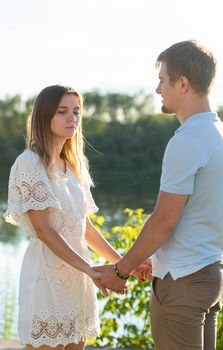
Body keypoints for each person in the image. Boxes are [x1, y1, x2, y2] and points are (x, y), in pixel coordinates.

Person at [95, 40, 223, 350]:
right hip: (211, 276)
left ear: (182, 83)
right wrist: (150, 258)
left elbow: (164, 220)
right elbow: (198, 215)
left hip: (183, 284)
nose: (158, 90)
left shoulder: (187, 140)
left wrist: (121, 270)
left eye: (162, 80)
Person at [4, 85, 150, 350]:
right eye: (63, 111)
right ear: (44, 116)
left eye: (76, 111)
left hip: (78, 278)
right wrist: (91, 271)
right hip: (46, 277)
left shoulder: (73, 165)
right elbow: (45, 231)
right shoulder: (29, 163)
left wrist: (124, 262)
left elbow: (86, 229)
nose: (72, 118)